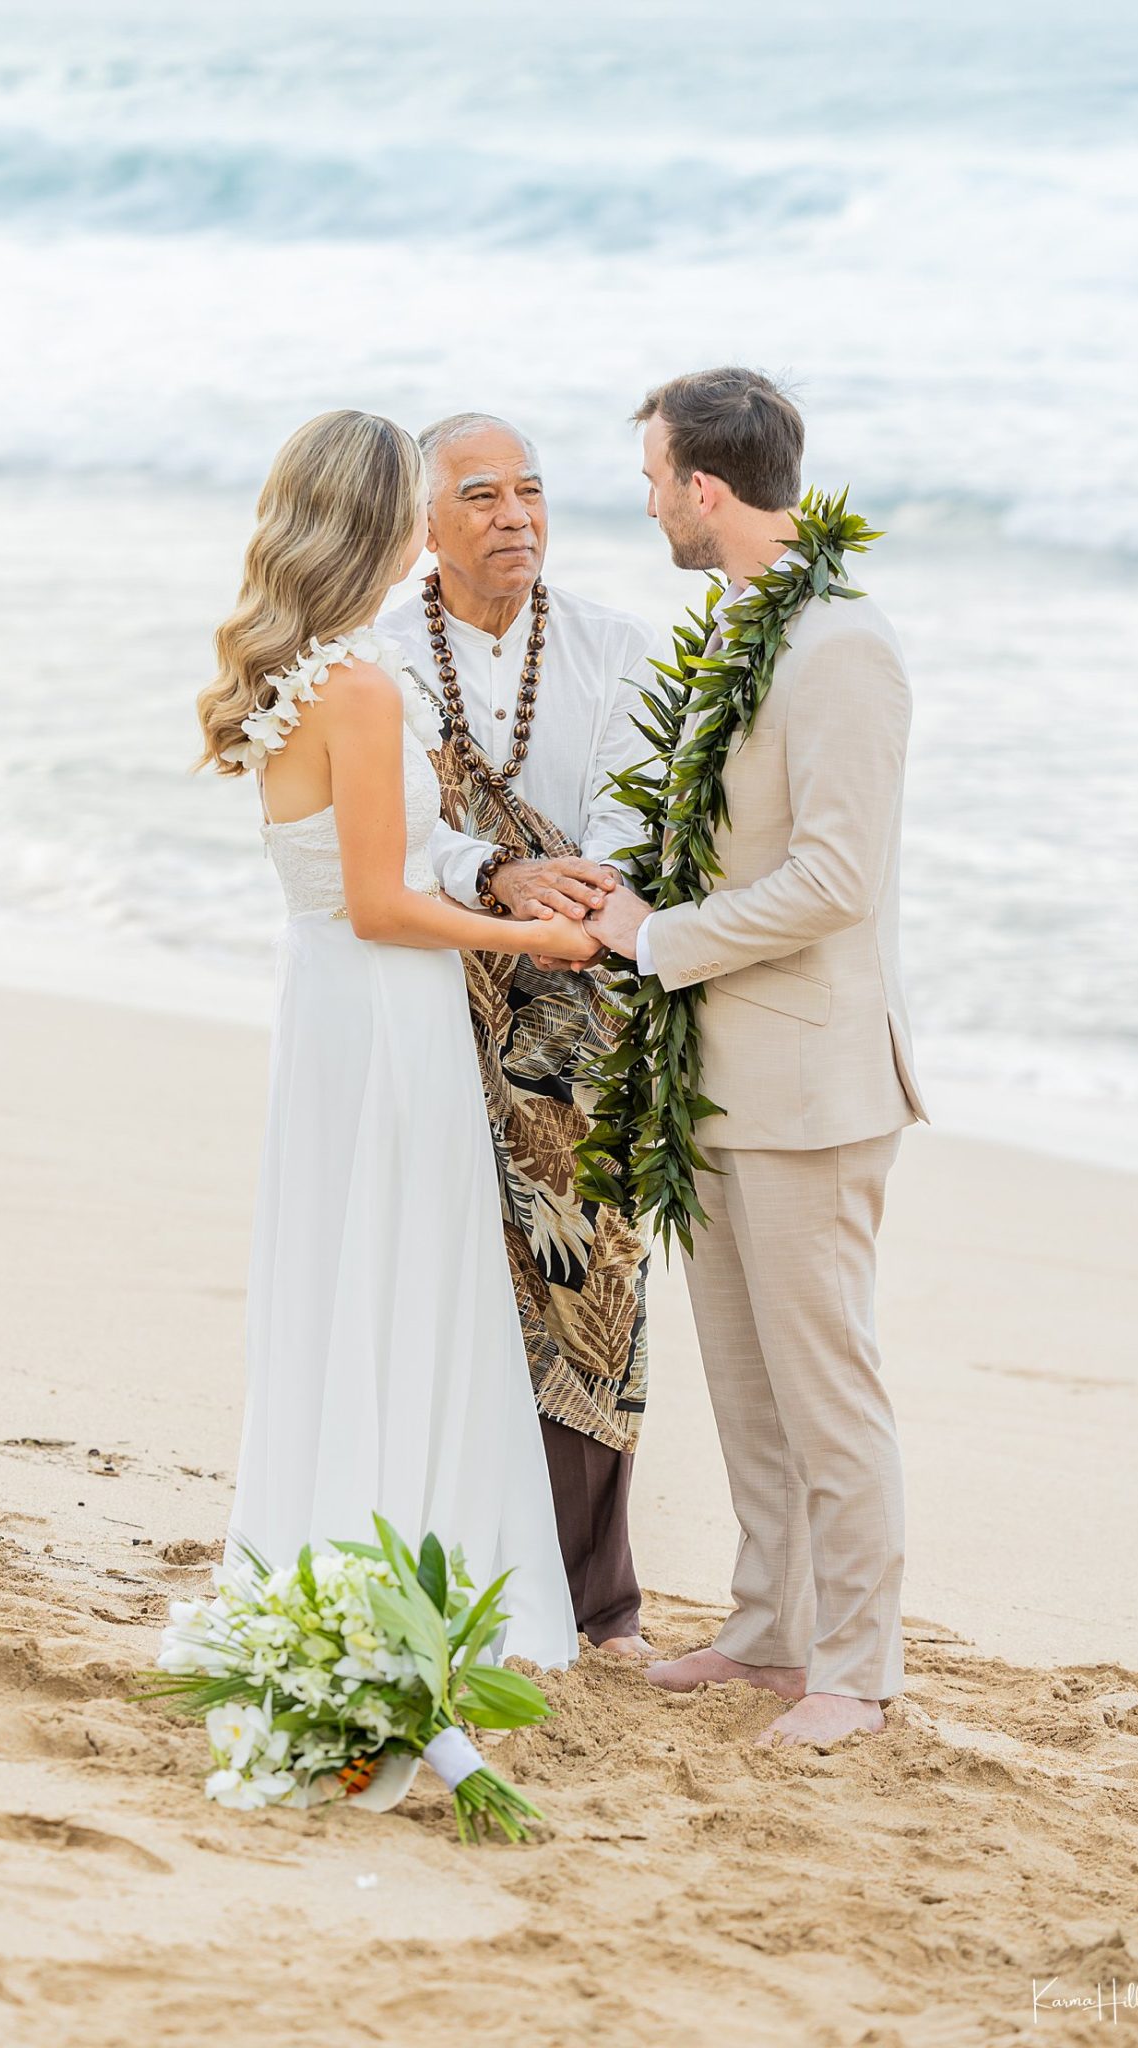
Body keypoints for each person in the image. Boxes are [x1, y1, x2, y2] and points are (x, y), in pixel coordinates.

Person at [196, 409, 592, 1668]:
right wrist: (546, 941)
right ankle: (403, 1550)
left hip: (327, 1009)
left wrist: (489, 877)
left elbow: (363, 879)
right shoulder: (359, 690)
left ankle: (334, 1536)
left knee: (347, 1270)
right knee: (404, 1270)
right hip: (383, 1015)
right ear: (385, 523)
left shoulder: (293, 673)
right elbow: (382, 902)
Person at [587, 367, 928, 1743]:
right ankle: (768, 1631)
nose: (650, 500)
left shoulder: (840, 643)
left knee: (825, 1384)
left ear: (704, 489)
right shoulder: (738, 623)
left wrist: (656, 939)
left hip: (809, 1079)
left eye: (655, 476)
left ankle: (857, 1665)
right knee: (744, 1378)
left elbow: (836, 880)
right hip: (716, 1071)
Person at [386, 412, 657, 1658]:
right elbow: (380, 832)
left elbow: (630, 816)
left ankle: (596, 1602)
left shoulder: (614, 644)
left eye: (532, 492)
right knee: (455, 1279)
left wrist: (572, 886)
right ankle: (450, 1560)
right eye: (483, 494)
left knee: (589, 1276)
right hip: (435, 994)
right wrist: (487, 870)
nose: (516, 516)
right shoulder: (381, 654)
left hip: (582, 1003)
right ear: (424, 523)